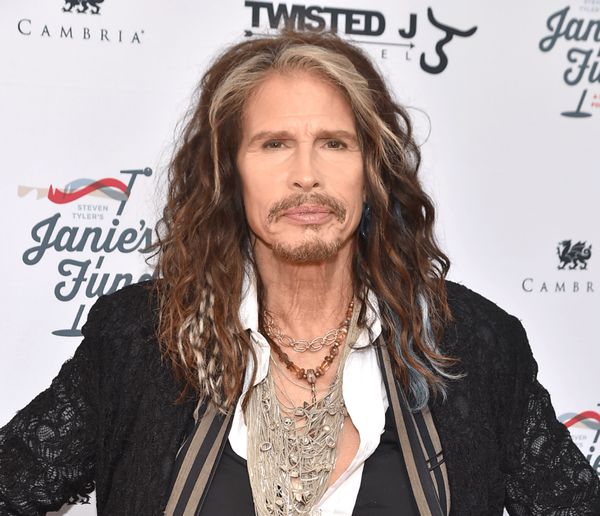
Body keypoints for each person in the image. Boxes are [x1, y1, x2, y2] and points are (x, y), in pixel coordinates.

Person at [1, 29, 599, 516]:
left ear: (372, 170)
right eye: (274, 144)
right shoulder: (141, 338)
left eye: (335, 143)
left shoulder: (472, 342)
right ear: (229, 172)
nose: (306, 174)